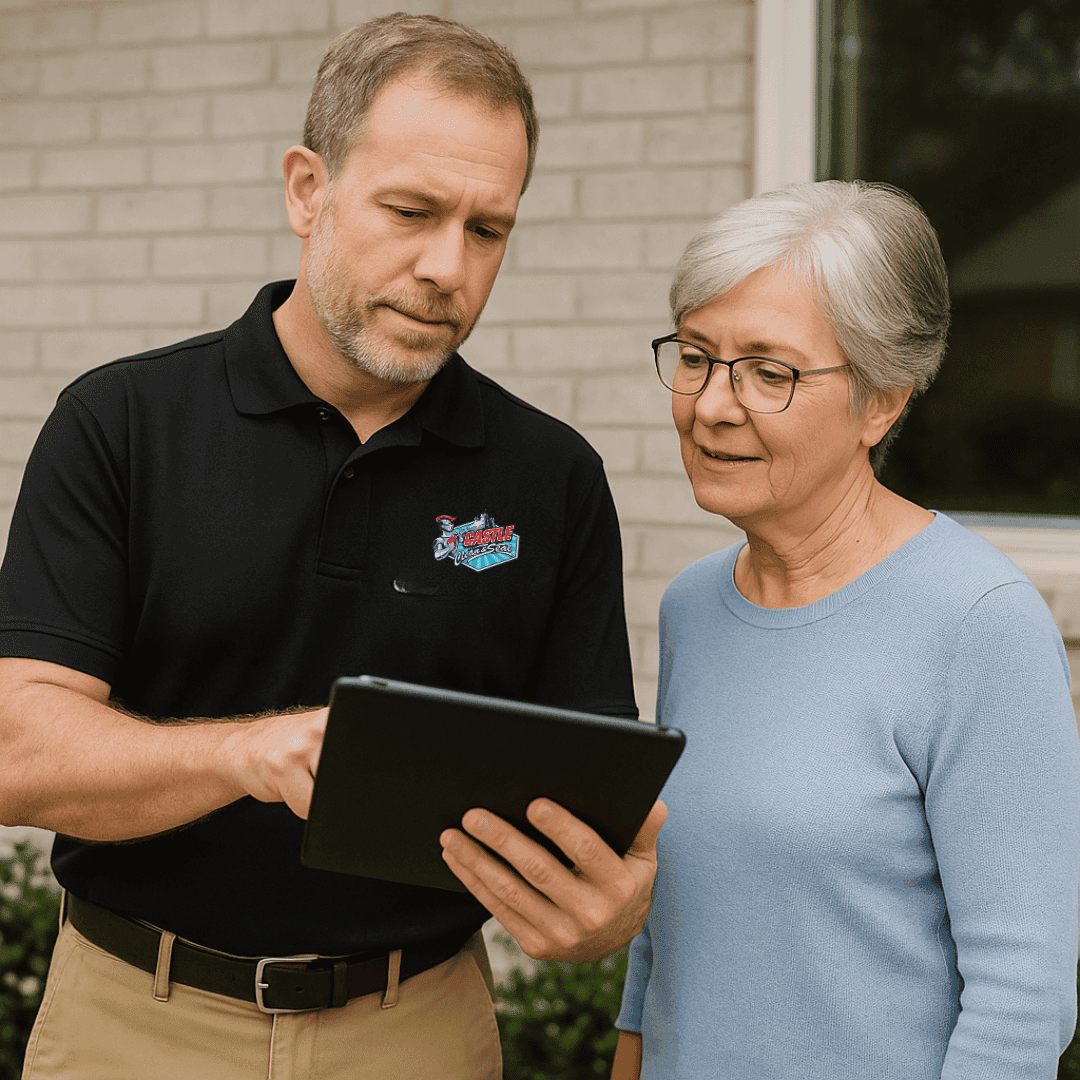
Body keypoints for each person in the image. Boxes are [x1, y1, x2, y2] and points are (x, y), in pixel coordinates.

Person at [0, 14, 664, 1080]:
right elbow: (17, 753)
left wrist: (608, 905)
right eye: (411, 211)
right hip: (134, 1023)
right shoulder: (120, 423)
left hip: (420, 1029)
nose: (448, 266)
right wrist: (244, 755)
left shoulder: (553, 478)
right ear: (308, 189)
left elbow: (591, 806)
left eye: (487, 230)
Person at [610, 180, 1080, 1080]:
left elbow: (1022, 1001)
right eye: (698, 356)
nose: (711, 404)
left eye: (769, 372)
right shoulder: (694, 608)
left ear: (883, 402)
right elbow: (674, 929)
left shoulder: (979, 622)